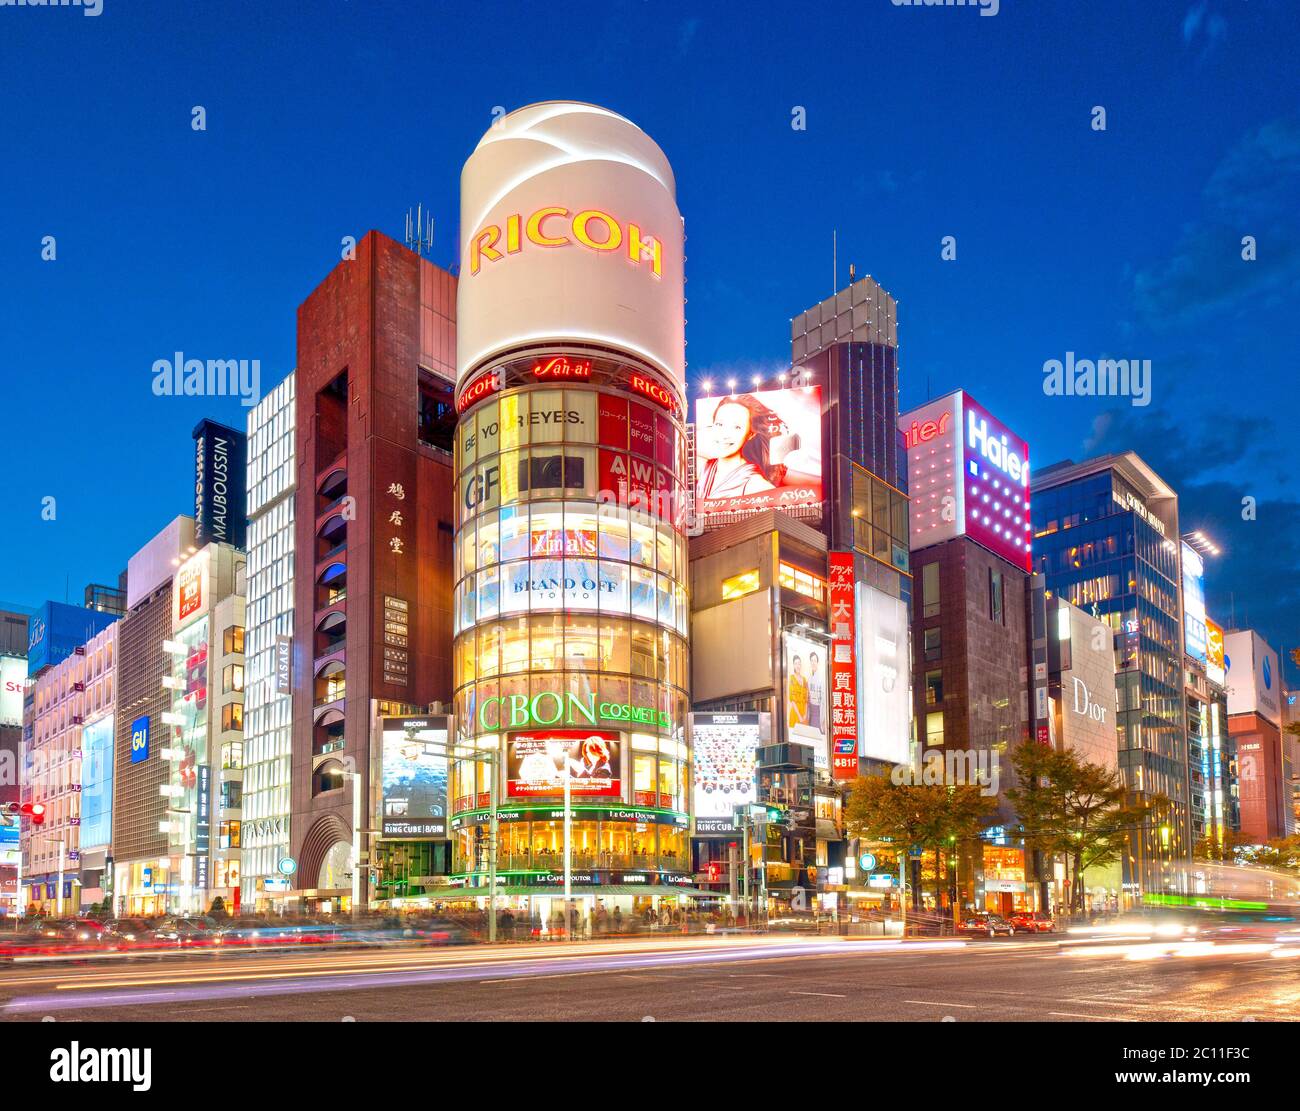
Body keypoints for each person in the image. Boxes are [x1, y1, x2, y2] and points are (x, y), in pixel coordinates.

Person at [695, 395, 779, 501]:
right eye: (719, 424)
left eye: (737, 427)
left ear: (750, 434)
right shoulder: (705, 468)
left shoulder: (754, 484)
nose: (724, 435)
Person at [787, 654, 809, 729]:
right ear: (793, 665)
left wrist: (805, 714)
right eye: (796, 663)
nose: (798, 665)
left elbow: (806, 699)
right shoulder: (791, 679)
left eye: (799, 663)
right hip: (795, 713)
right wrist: (799, 716)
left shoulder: (804, 679)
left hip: (804, 714)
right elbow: (792, 700)